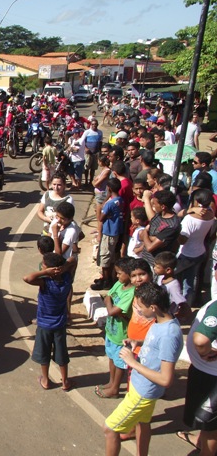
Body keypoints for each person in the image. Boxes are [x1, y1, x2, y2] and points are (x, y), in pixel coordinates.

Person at [103, 283, 183, 456]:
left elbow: (166, 379)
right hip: (141, 387)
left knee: (110, 428)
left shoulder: (169, 335)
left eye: (140, 307)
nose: (137, 310)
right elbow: (156, 346)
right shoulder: (162, 321)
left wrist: (133, 363)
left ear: (153, 307)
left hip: (143, 392)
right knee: (143, 423)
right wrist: (137, 342)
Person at [23, 252, 74, 391]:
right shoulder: (67, 279)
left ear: (49, 269)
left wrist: (44, 272)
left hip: (44, 325)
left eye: (44, 265)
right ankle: (65, 381)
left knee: (44, 353)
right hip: (60, 324)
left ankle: (45, 380)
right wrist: (63, 268)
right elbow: (72, 260)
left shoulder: (45, 281)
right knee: (62, 353)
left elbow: (27, 278)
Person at [177, 297, 217, 455]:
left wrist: (205, 352)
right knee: (207, 424)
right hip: (207, 373)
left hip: (210, 377)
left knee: (211, 427)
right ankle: (201, 441)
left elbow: (201, 341)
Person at [95, 257, 134, 399]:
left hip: (122, 335)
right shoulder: (119, 284)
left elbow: (111, 308)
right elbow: (107, 297)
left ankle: (115, 388)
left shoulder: (131, 293)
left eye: (119, 273)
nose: (117, 276)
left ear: (129, 274)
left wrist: (109, 303)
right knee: (111, 358)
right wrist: (110, 303)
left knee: (119, 364)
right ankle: (111, 382)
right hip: (111, 331)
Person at [177, 188, 215, 307]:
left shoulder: (190, 219)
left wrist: (175, 232)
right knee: (189, 282)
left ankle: (178, 307)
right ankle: (187, 308)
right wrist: (192, 209)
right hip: (199, 252)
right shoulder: (211, 214)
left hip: (185, 254)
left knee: (172, 279)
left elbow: (183, 240)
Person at [92, 178, 124, 290]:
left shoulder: (109, 204)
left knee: (105, 258)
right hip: (116, 232)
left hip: (109, 232)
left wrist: (99, 208)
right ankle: (108, 278)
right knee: (110, 256)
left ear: (108, 188)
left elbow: (100, 218)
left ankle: (106, 281)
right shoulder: (120, 200)